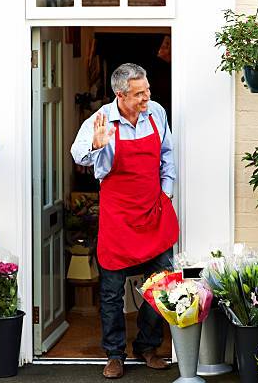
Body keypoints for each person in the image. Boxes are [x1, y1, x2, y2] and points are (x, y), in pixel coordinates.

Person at [71, 63, 178, 379]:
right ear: (121, 94)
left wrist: (166, 192)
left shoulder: (156, 112)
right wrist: (96, 144)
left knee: (160, 285)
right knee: (111, 291)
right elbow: (77, 153)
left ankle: (148, 345)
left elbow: (168, 154)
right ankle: (115, 353)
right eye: (139, 93)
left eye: (147, 90)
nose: (147, 97)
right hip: (118, 216)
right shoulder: (100, 120)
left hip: (153, 211)